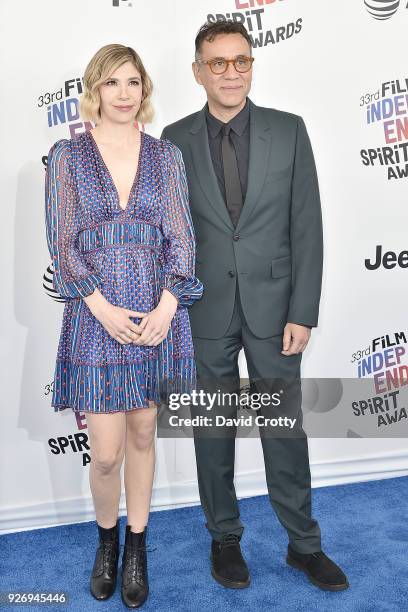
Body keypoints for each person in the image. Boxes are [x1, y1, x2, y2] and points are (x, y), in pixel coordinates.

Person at [161, 21, 349, 592]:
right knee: (212, 432)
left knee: (283, 430)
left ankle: (304, 545)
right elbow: (171, 233)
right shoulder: (172, 139)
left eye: (240, 60)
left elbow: (307, 227)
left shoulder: (288, 131)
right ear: (198, 71)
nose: (231, 72)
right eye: (217, 63)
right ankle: (224, 539)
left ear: (252, 65)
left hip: (275, 312)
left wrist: (303, 311)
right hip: (204, 310)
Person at [45, 43, 203, 608]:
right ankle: (106, 540)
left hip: (158, 317)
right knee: (106, 451)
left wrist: (166, 306)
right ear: (94, 91)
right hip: (97, 317)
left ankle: (137, 545)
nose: (124, 93)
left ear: (145, 89)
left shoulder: (166, 157)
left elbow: (182, 237)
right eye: (111, 83)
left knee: (143, 435)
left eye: (133, 82)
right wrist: (105, 309)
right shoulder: (67, 157)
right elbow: (62, 246)